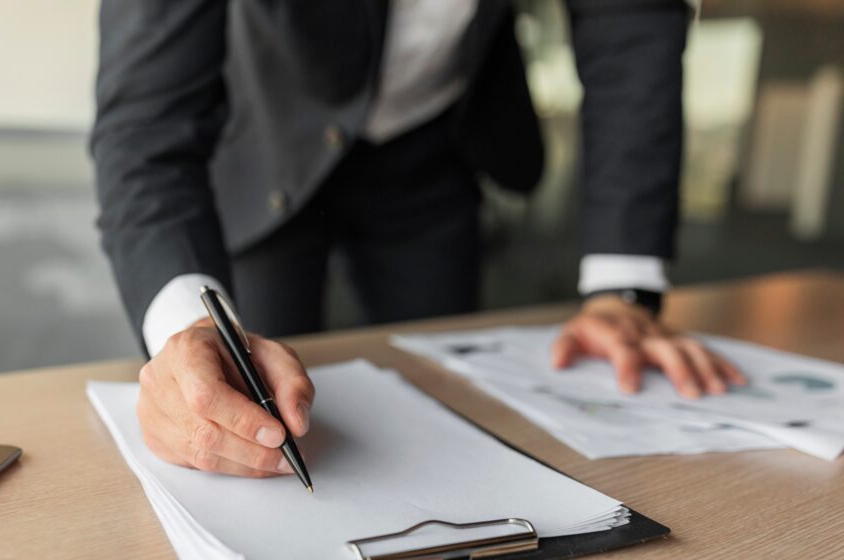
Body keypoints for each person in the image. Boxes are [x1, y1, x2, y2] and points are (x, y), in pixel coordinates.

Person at [91, 0, 745, 478]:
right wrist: (185, 329)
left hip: (435, 149)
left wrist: (622, 288)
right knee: (242, 411)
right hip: (264, 145)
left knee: (449, 416)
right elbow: (145, 126)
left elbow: (630, 25)